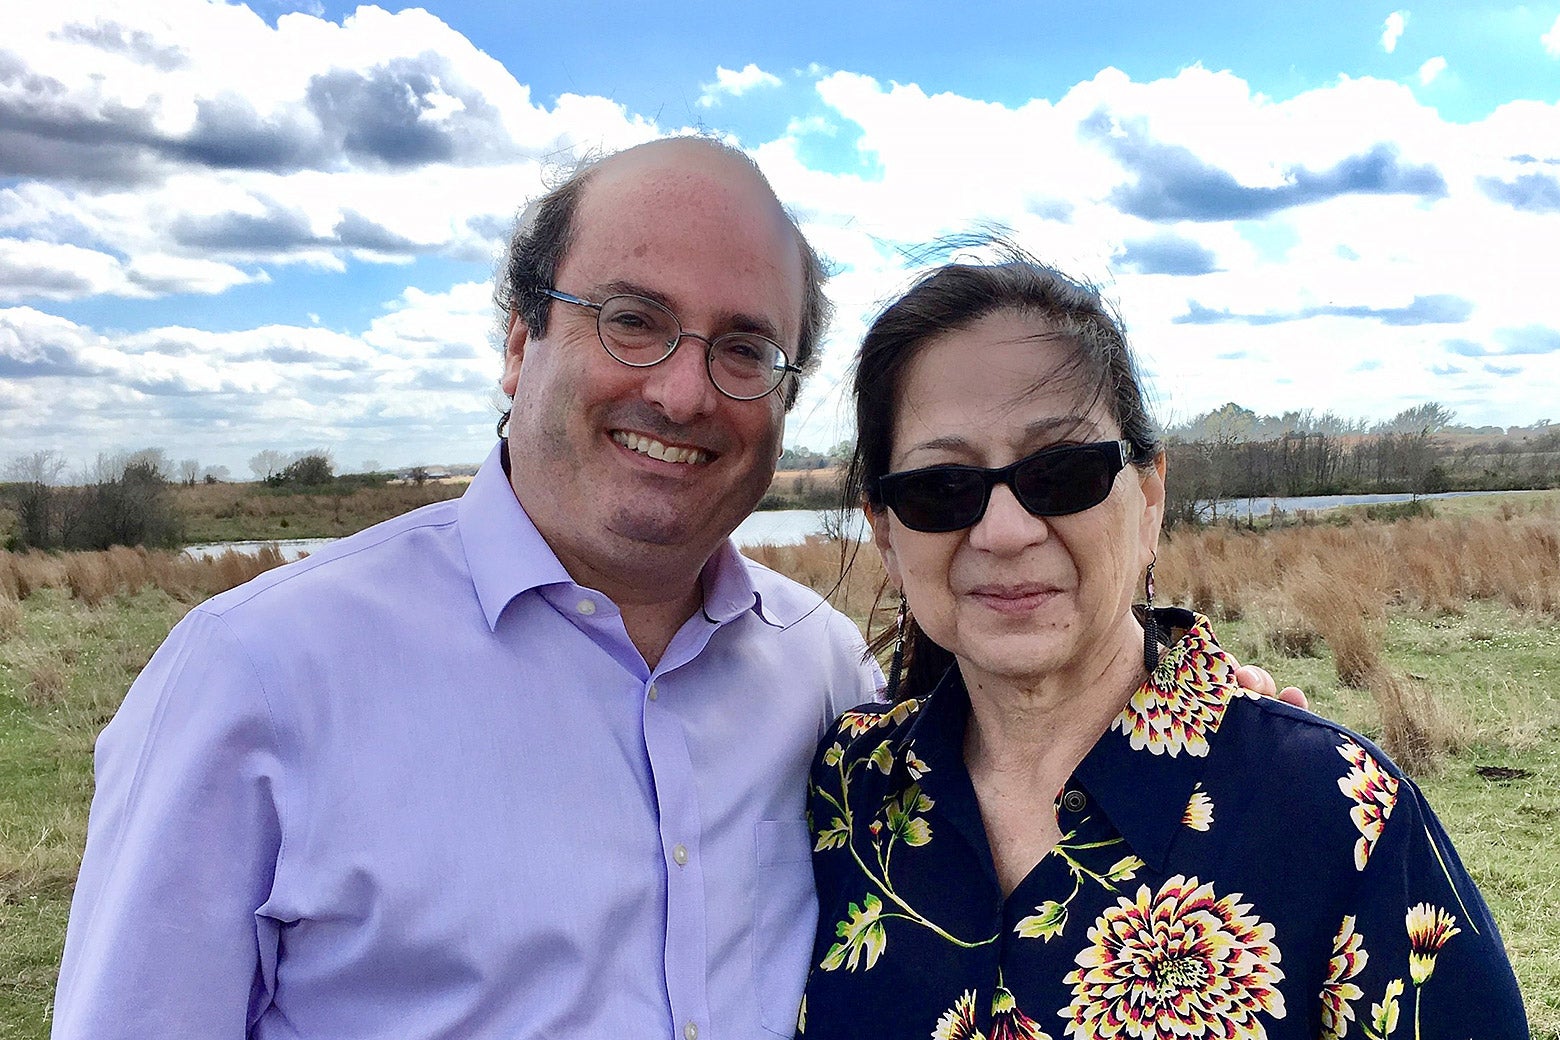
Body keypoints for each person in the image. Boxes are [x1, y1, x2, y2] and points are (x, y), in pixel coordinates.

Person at [53, 139, 1297, 1040]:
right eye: (633, 319)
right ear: (518, 338)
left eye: (746, 347)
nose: (688, 391)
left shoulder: (822, 679)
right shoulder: (253, 680)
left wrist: (1224, 742)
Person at [800, 250, 1526, 1039]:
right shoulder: (844, 789)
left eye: (1062, 472)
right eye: (941, 488)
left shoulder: (1341, 820)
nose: (1005, 531)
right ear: (884, 531)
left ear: (1148, 497)